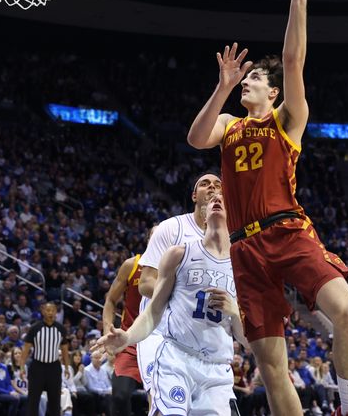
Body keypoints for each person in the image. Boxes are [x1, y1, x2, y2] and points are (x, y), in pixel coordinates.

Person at [187, 0, 348, 416]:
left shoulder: (288, 120)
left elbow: (292, 58)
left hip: (286, 230)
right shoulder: (229, 124)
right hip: (245, 249)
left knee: (345, 310)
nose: (250, 81)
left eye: (255, 79)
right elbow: (196, 137)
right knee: (270, 366)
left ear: (274, 93)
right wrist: (224, 85)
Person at [94, 194, 248, 415]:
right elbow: (153, 311)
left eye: (223, 198)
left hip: (217, 369)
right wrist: (127, 337)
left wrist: (234, 312)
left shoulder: (243, 264)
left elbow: (246, 340)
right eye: (212, 198)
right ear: (202, 216)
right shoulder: (178, 254)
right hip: (177, 358)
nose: (216, 198)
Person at [136, 173, 222, 394]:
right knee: (159, 400)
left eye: (218, 185)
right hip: (159, 330)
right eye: (205, 184)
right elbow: (145, 283)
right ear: (194, 195)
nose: (212, 188)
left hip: (201, 338)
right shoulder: (171, 228)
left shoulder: (230, 241)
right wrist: (182, 295)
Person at [102, 255, 143, 416]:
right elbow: (111, 300)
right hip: (130, 340)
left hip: (161, 342)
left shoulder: (175, 264)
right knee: (120, 396)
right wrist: (107, 332)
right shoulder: (132, 265)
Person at [21, 303, 69, 416]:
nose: (50, 313)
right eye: (48, 310)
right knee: (33, 399)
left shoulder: (61, 329)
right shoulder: (35, 328)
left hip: (54, 367)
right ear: (43, 312)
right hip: (37, 367)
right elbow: (26, 349)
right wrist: (22, 366)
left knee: (55, 400)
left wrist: (66, 367)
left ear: (56, 312)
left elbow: (65, 351)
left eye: (53, 310)